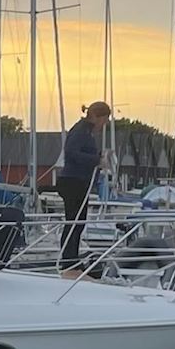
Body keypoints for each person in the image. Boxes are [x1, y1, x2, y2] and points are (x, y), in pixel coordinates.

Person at [57, 101, 111, 275]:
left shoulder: (87, 132)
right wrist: (96, 160)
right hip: (73, 181)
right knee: (73, 222)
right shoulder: (81, 130)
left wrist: (98, 157)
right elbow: (71, 152)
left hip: (80, 182)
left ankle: (72, 259)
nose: (105, 124)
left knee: (79, 223)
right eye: (104, 119)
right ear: (95, 116)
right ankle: (67, 261)